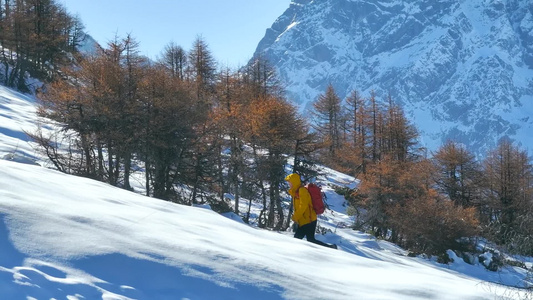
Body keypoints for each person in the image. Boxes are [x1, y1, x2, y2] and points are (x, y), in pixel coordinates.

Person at [285, 173, 337, 249]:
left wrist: (296, 216)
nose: (289, 184)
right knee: (310, 240)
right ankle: (331, 248)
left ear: (294, 181)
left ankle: (330, 248)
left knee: (299, 240)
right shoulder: (295, 192)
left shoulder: (302, 191)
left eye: (289, 182)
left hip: (309, 220)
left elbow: (303, 205)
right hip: (305, 220)